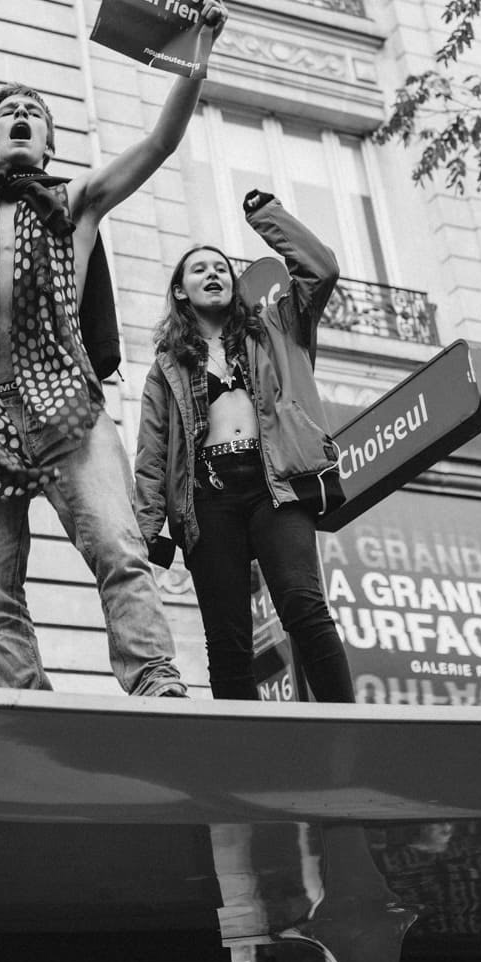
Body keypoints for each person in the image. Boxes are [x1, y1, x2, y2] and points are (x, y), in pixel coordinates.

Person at [0, 0, 226, 697]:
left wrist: (199, 56)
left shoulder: (75, 203)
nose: (21, 118)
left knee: (120, 550)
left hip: (68, 410)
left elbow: (160, 143)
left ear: (50, 143)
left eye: (34, 114)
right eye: (7, 112)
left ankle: (154, 679)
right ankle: (27, 704)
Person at [133, 192, 356, 702]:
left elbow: (320, 270)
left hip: (275, 485)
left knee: (304, 608)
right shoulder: (166, 366)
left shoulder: (278, 326)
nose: (213, 274)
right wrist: (147, 530)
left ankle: (348, 727)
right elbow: (151, 455)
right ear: (181, 293)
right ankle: (246, 750)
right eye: (198, 270)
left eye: (221, 268)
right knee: (227, 642)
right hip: (207, 501)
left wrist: (266, 215)